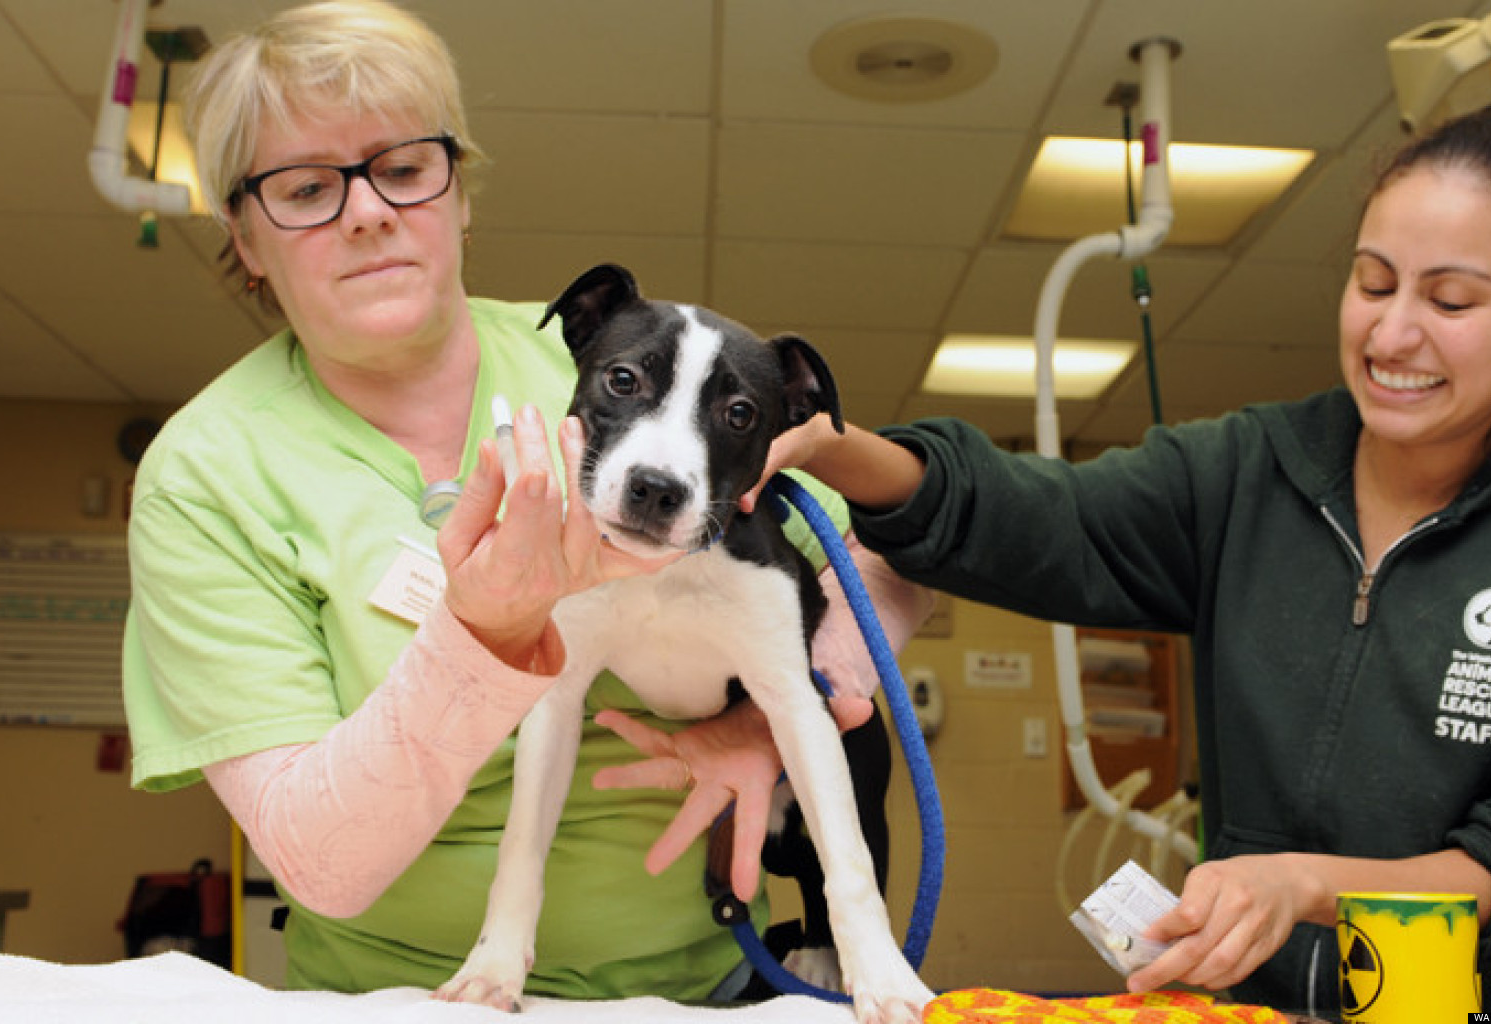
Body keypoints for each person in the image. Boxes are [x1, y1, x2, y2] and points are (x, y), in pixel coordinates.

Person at [121, 0, 928, 1004]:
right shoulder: (207, 474)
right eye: (305, 187)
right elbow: (316, 860)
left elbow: (882, 570)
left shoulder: (627, 358)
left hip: (713, 977)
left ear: (460, 191)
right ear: (243, 235)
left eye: (404, 168)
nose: (368, 211)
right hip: (410, 993)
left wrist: (781, 708)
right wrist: (485, 635)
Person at [744, 106, 1491, 1015]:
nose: (1391, 337)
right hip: (1242, 1006)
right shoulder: (1248, 473)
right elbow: (1043, 519)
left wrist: (1297, 886)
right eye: (1373, 284)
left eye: (1451, 301)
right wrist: (826, 444)